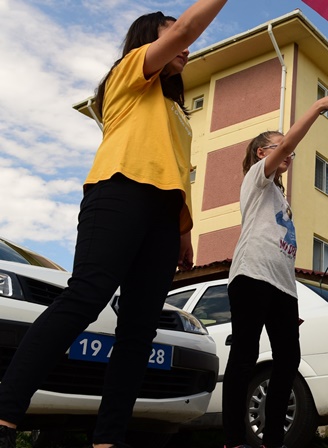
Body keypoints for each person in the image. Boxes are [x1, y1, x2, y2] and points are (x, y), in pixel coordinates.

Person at [0, 2, 229, 447]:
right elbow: (184, 31)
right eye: (167, 36)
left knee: (140, 329)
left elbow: (176, 169)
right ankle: (5, 415)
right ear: (150, 39)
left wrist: (183, 231)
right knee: (85, 298)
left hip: (164, 215)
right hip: (118, 193)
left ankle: (108, 439)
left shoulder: (177, 111)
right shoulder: (127, 75)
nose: (185, 49)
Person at [222, 93, 328, 448]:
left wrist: (289, 293)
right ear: (264, 153)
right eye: (280, 148)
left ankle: (273, 440)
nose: (289, 154)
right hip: (251, 276)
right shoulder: (256, 179)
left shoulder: (280, 197)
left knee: (288, 361)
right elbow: (291, 139)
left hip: (282, 287)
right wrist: (319, 108)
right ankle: (234, 440)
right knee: (245, 355)